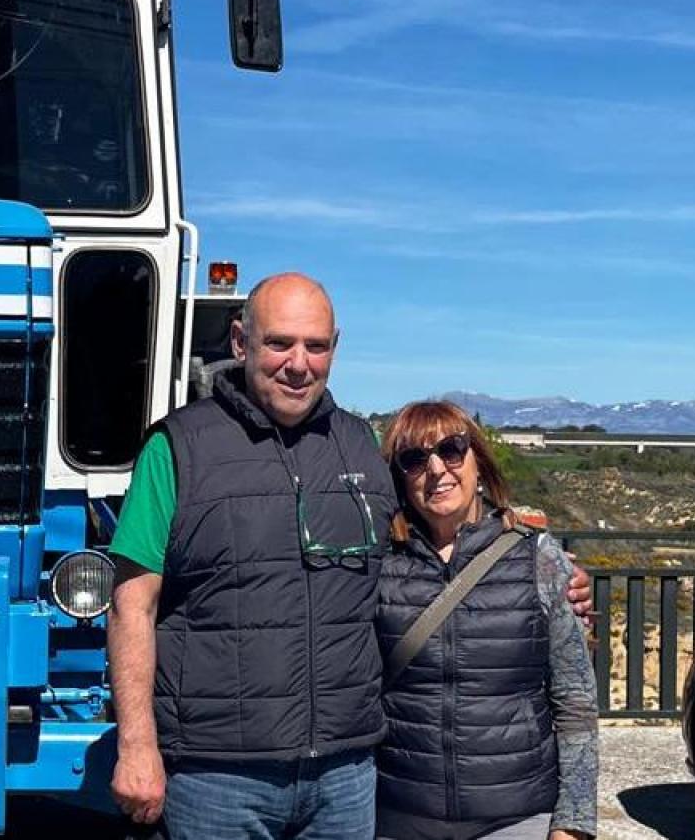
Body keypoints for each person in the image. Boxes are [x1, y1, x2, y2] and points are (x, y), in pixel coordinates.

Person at [107, 274, 592, 840]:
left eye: (316, 346)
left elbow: (435, 519)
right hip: (218, 775)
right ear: (240, 342)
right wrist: (136, 747)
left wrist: (549, 572)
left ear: (334, 348)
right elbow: (130, 607)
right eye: (279, 343)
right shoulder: (177, 448)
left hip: (347, 776)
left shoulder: (360, 446)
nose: (298, 363)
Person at [375, 401, 598, 840]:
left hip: (517, 817)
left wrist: (572, 825)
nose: (436, 469)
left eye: (452, 450)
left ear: (479, 458)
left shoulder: (538, 556)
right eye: (414, 459)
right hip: (398, 815)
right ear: (400, 477)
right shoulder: (378, 563)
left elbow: (575, 703)